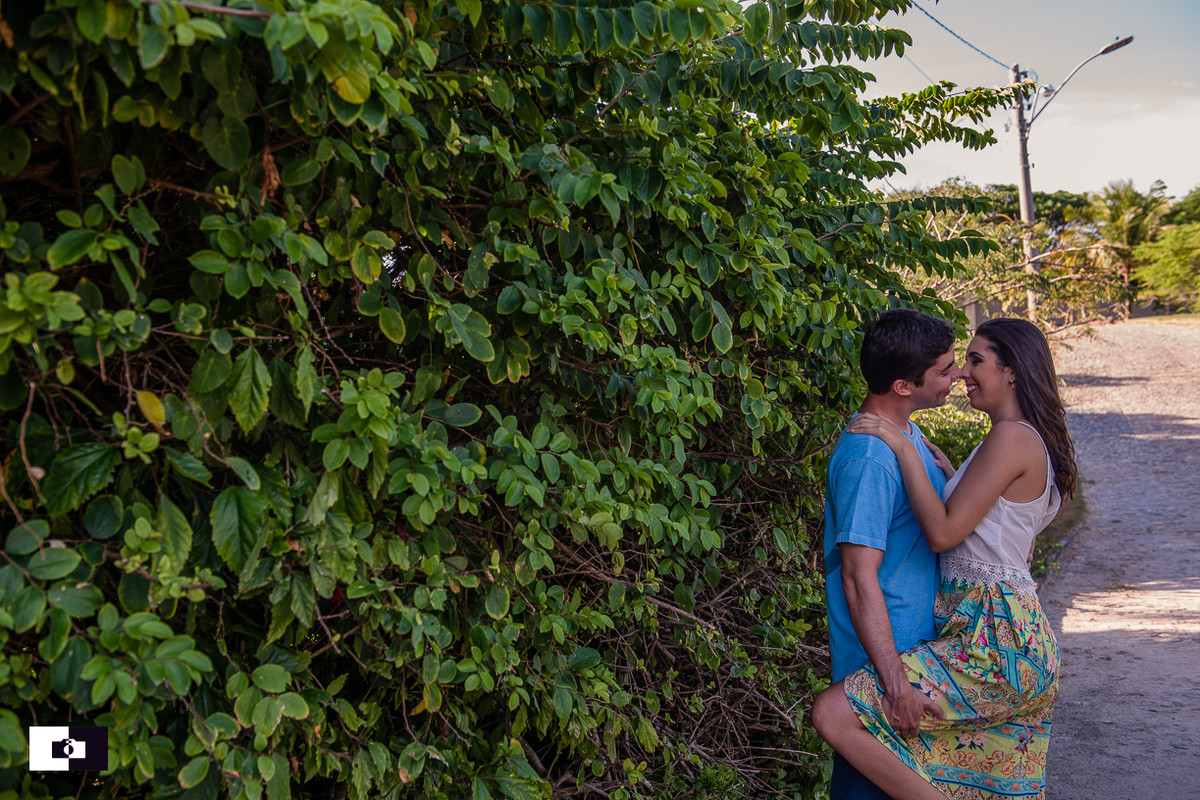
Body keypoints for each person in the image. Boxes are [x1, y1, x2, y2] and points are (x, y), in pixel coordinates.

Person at [813, 318, 1077, 800]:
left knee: (834, 715)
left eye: (974, 360)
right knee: (973, 778)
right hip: (1000, 632)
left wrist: (902, 445)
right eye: (957, 363)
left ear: (1013, 371)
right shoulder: (1012, 439)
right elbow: (1009, 534)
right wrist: (952, 476)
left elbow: (943, 532)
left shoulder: (1010, 438)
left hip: (998, 634)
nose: (962, 373)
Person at [822, 309, 960, 800]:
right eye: (944, 370)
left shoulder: (907, 438)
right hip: (883, 670)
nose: (957, 375)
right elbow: (858, 578)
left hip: (917, 657)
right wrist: (895, 683)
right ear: (903, 386)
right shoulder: (870, 457)